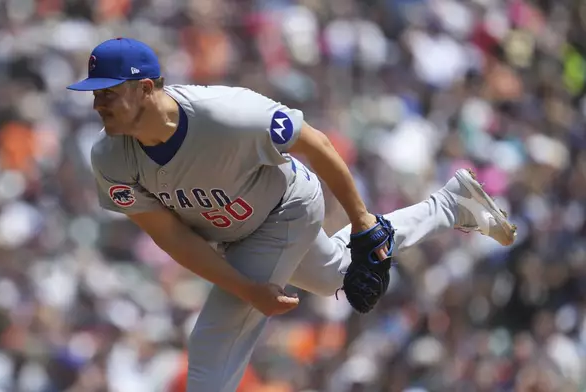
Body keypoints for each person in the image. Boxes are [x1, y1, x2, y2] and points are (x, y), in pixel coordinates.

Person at [67, 37, 517, 392]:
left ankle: (411, 217)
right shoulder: (111, 159)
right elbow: (170, 237)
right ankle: (452, 204)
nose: (97, 105)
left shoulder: (227, 116)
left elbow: (315, 143)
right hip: (236, 234)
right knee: (337, 276)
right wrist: (246, 286)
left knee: (212, 338)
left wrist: (360, 220)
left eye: (108, 93)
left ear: (146, 88)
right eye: (94, 95)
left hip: (287, 206)